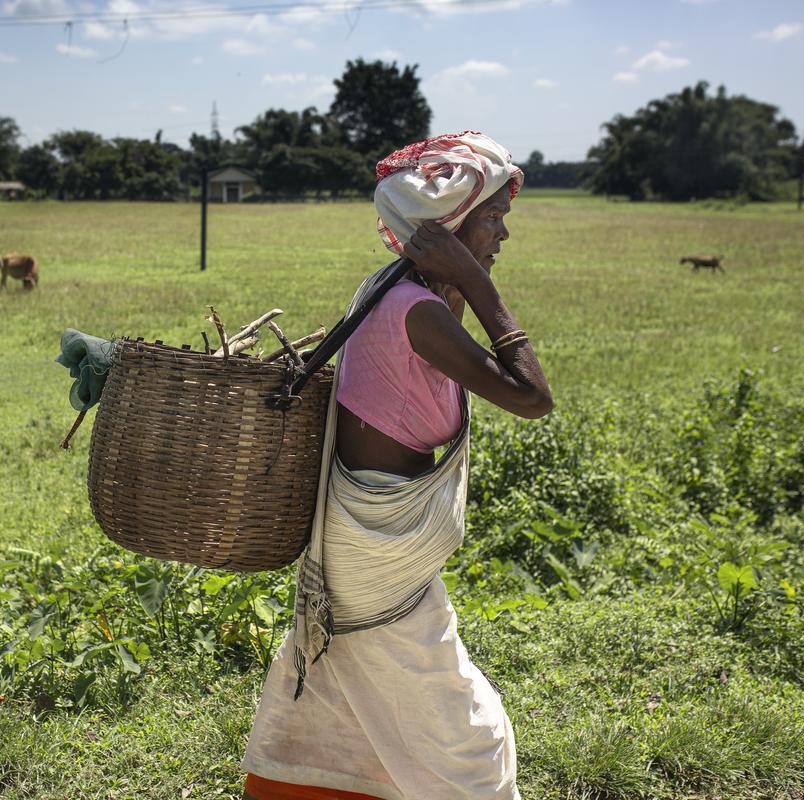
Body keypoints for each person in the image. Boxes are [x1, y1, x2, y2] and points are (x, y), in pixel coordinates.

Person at [240, 132, 553, 800]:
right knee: (466, 736)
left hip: (367, 541)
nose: (503, 234)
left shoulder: (399, 294)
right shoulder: (416, 312)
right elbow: (533, 398)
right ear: (446, 231)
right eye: (493, 219)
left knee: (352, 704)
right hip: (374, 556)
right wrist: (475, 277)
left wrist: (460, 273)